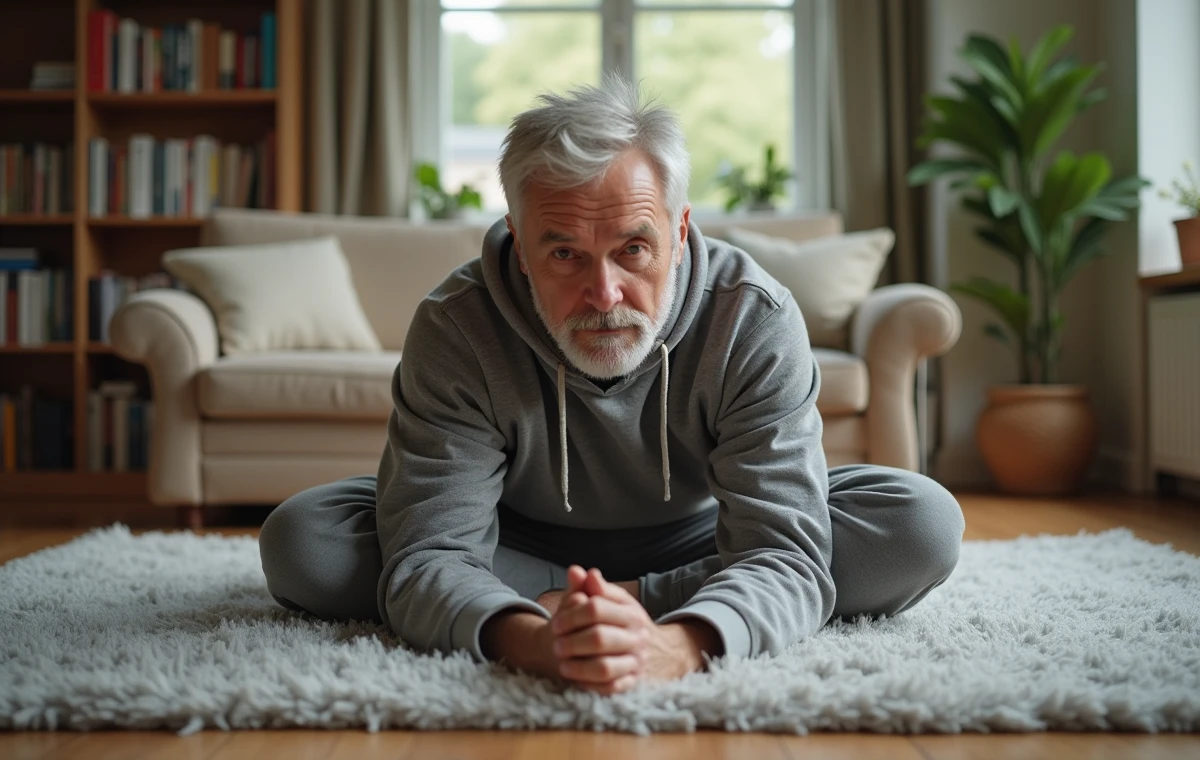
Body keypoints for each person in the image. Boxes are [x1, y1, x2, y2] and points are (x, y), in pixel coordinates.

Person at [259, 77, 965, 695]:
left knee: (918, 523)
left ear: (680, 231)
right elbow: (433, 551)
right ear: (521, 242)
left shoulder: (752, 315)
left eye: (633, 248)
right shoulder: (457, 326)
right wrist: (531, 641)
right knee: (306, 542)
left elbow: (780, 549)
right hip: (508, 538)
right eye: (564, 253)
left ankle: (612, 602)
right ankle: (578, 603)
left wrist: (678, 644)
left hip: (703, 540)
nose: (604, 293)